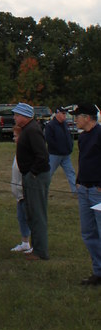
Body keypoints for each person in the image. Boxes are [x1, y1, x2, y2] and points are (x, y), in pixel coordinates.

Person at [14, 101, 50, 261]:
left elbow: (42, 155)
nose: (14, 117)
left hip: (36, 177)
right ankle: (36, 247)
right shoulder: (27, 129)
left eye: (17, 114)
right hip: (29, 175)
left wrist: (32, 173)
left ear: (25, 116)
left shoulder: (33, 130)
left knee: (37, 213)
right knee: (31, 213)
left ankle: (41, 251)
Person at [73, 102, 101, 286]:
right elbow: (83, 160)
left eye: (78, 116)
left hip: (98, 192)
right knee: (88, 233)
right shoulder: (83, 138)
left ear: (88, 118)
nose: (75, 120)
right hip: (84, 189)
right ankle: (98, 271)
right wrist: (78, 180)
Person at [10, 126, 32, 253]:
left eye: (16, 136)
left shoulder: (26, 153)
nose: (14, 139)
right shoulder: (18, 151)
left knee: (30, 218)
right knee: (21, 217)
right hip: (19, 194)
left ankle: (35, 244)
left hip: (26, 192)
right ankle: (25, 242)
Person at [44, 106, 76, 194]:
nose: (65, 116)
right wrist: (58, 149)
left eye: (65, 114)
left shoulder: (65, 124)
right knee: (48, 173)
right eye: (63, 114)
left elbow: (69, 137)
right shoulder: (50, 126)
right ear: (57, 113)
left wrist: (70, 146)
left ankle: (75, 191)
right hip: (54, 155)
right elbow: (49, 140)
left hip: (66, 154)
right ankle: (43, 189)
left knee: (71, 172)